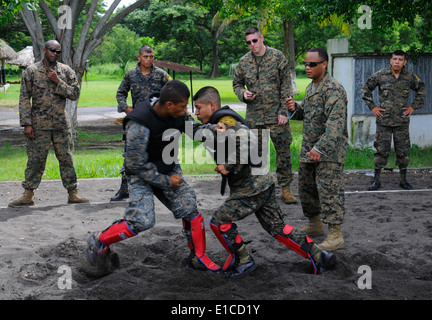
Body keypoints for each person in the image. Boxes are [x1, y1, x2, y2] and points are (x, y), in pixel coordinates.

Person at [193, 86, 336, 279]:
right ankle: (319, 255)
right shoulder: (220, 120)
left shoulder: (225, 120)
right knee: (277, 227)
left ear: (211, 105)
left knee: (219, 222)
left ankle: (244, 260)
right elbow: (198, 132)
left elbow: (247, 142)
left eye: (198, 108)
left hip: (251, 188)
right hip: (263, 183)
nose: (196, 112)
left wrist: (228, 166)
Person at [85, 81, 222, 275]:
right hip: (141, 174)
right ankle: (99, 240)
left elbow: (195, 131)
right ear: (169, 105)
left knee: (189, 208)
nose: (186, 110)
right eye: (183, 106)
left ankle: (198, 258)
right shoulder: (139, 123)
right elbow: (135, 165)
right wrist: (166, 181)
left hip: (167, 167)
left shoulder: (178, 113)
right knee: (142, 220)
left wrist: (214, 129)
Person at [9, 40, 88, 207]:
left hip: (61, 125)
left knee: (66, 159)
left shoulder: (65, 71)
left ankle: (73, 192)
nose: (55, 53)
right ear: (45, 50)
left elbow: (75, 94)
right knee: (36, 160)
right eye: (52, 50)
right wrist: (26, 124)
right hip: (38, 126)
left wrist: (58, 81)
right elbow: (24, 99)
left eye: (58, 51)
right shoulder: (31, 71)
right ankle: (28, 194)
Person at [286, 48, 348, 252]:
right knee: (306, 188)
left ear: (324, 64)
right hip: (309, 149)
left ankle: (336, 235)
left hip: (328, 151)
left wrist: (320, 148)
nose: (307, 68)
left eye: (312, 64)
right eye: (305, 64)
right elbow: (309, 113)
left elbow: (335, 125)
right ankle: (315, 224)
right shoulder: (312, 87)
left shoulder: (334, 89)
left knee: (329, 191)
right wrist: (295, 108)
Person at [233, 27, 297, 204]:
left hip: (277, 117)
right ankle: (262, 191)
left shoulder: (277, 57)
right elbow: (237, 84)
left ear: (261, 38)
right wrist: (243, 94)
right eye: (248, 42)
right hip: (255, 117)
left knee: (283, 154)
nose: (252, 45)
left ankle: (286, 189)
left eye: (254, 40)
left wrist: (283, 112)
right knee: (258, 157)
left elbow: (286, 85)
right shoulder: (244, 61)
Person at [111, 45, 172, 201]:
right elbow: (120, 93)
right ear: (139, 57)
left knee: (160, 155)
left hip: (156, 123)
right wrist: (126, 108)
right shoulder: (131, 74)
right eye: (145, 56)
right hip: (137, 123)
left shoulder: (162, 75)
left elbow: (171, 95)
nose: (149, 59)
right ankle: (124, 188)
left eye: (151, 56)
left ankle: (162, 187)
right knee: (129, 156)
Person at [361, 50, 426, 191]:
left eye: (400, 59)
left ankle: (403, 180)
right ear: (390, 60)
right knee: (381, 151)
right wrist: (373, 107)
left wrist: (413, 107)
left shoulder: (409, 77)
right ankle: (376, 180)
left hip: (401, 122)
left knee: (403, 152)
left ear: (404, 62)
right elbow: (365, 89)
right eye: (395, 59)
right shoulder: (381, 75)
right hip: (383, 121)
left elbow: (421, 88)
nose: (397, 62)